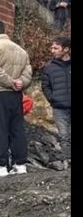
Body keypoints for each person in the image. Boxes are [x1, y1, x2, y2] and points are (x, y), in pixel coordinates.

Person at [0, 20, 32, 177]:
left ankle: (1, 165)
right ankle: (20, 164)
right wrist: (20, 82)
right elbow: (28, 71)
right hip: (15, 95)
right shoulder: (21, 50)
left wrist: (9, 82)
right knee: (16, 128)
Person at [41, 37, 71, 167]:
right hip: (59, 108)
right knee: (64, 136)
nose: (52, 50)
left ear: (66, 49)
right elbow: (45, 86)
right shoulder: (49, 68)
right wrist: (52, 99)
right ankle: (68, 162)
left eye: (56, 48)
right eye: (52, 48)